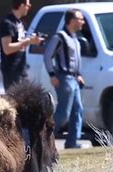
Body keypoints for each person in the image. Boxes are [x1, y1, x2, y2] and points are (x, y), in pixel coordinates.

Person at [43, 9, 85, 149]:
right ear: (71, 20)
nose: (82, 22)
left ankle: (72, 142)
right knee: (63, 113)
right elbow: (48, 56)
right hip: (65, 78)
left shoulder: (75, 38)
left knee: (77, 110)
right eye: (80, 19)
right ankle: (44, 138)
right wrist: (52, 75)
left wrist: (78, 74)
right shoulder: (60, 37)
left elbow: (75, 60)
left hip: (74, 78)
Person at [0, 0, 43, 91]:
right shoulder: (7, 23)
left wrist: (33, 40)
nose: (30, 6)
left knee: (26, 101)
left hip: (22, 70)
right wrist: (28, 41)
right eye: (27, 4)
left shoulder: (19, 23)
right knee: (14, 103)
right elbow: (7, 49)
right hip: (11, 73)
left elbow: (20, 42)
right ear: (21, 5)